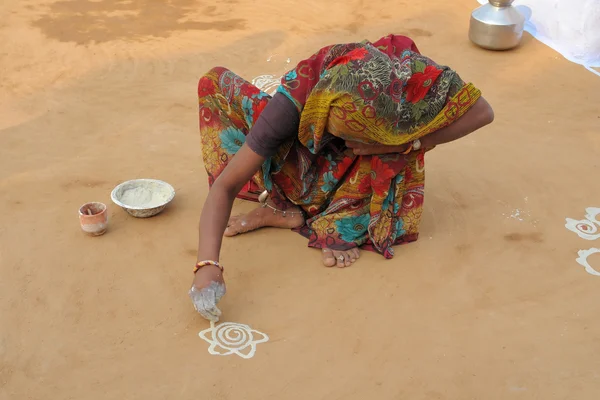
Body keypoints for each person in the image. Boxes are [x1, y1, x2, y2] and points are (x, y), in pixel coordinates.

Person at [189, 34, 494, 321]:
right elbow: (226, 185)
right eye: (340, 133)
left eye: (357, 136)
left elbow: (483, 112)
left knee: (391, 157)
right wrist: (207, 264)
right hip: (301, 146)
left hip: (373, 157)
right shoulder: (292, 103)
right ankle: (284, 205)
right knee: (215, 83)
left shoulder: (414, 78)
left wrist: (404, 143)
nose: (344, 143)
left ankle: (337, 217)